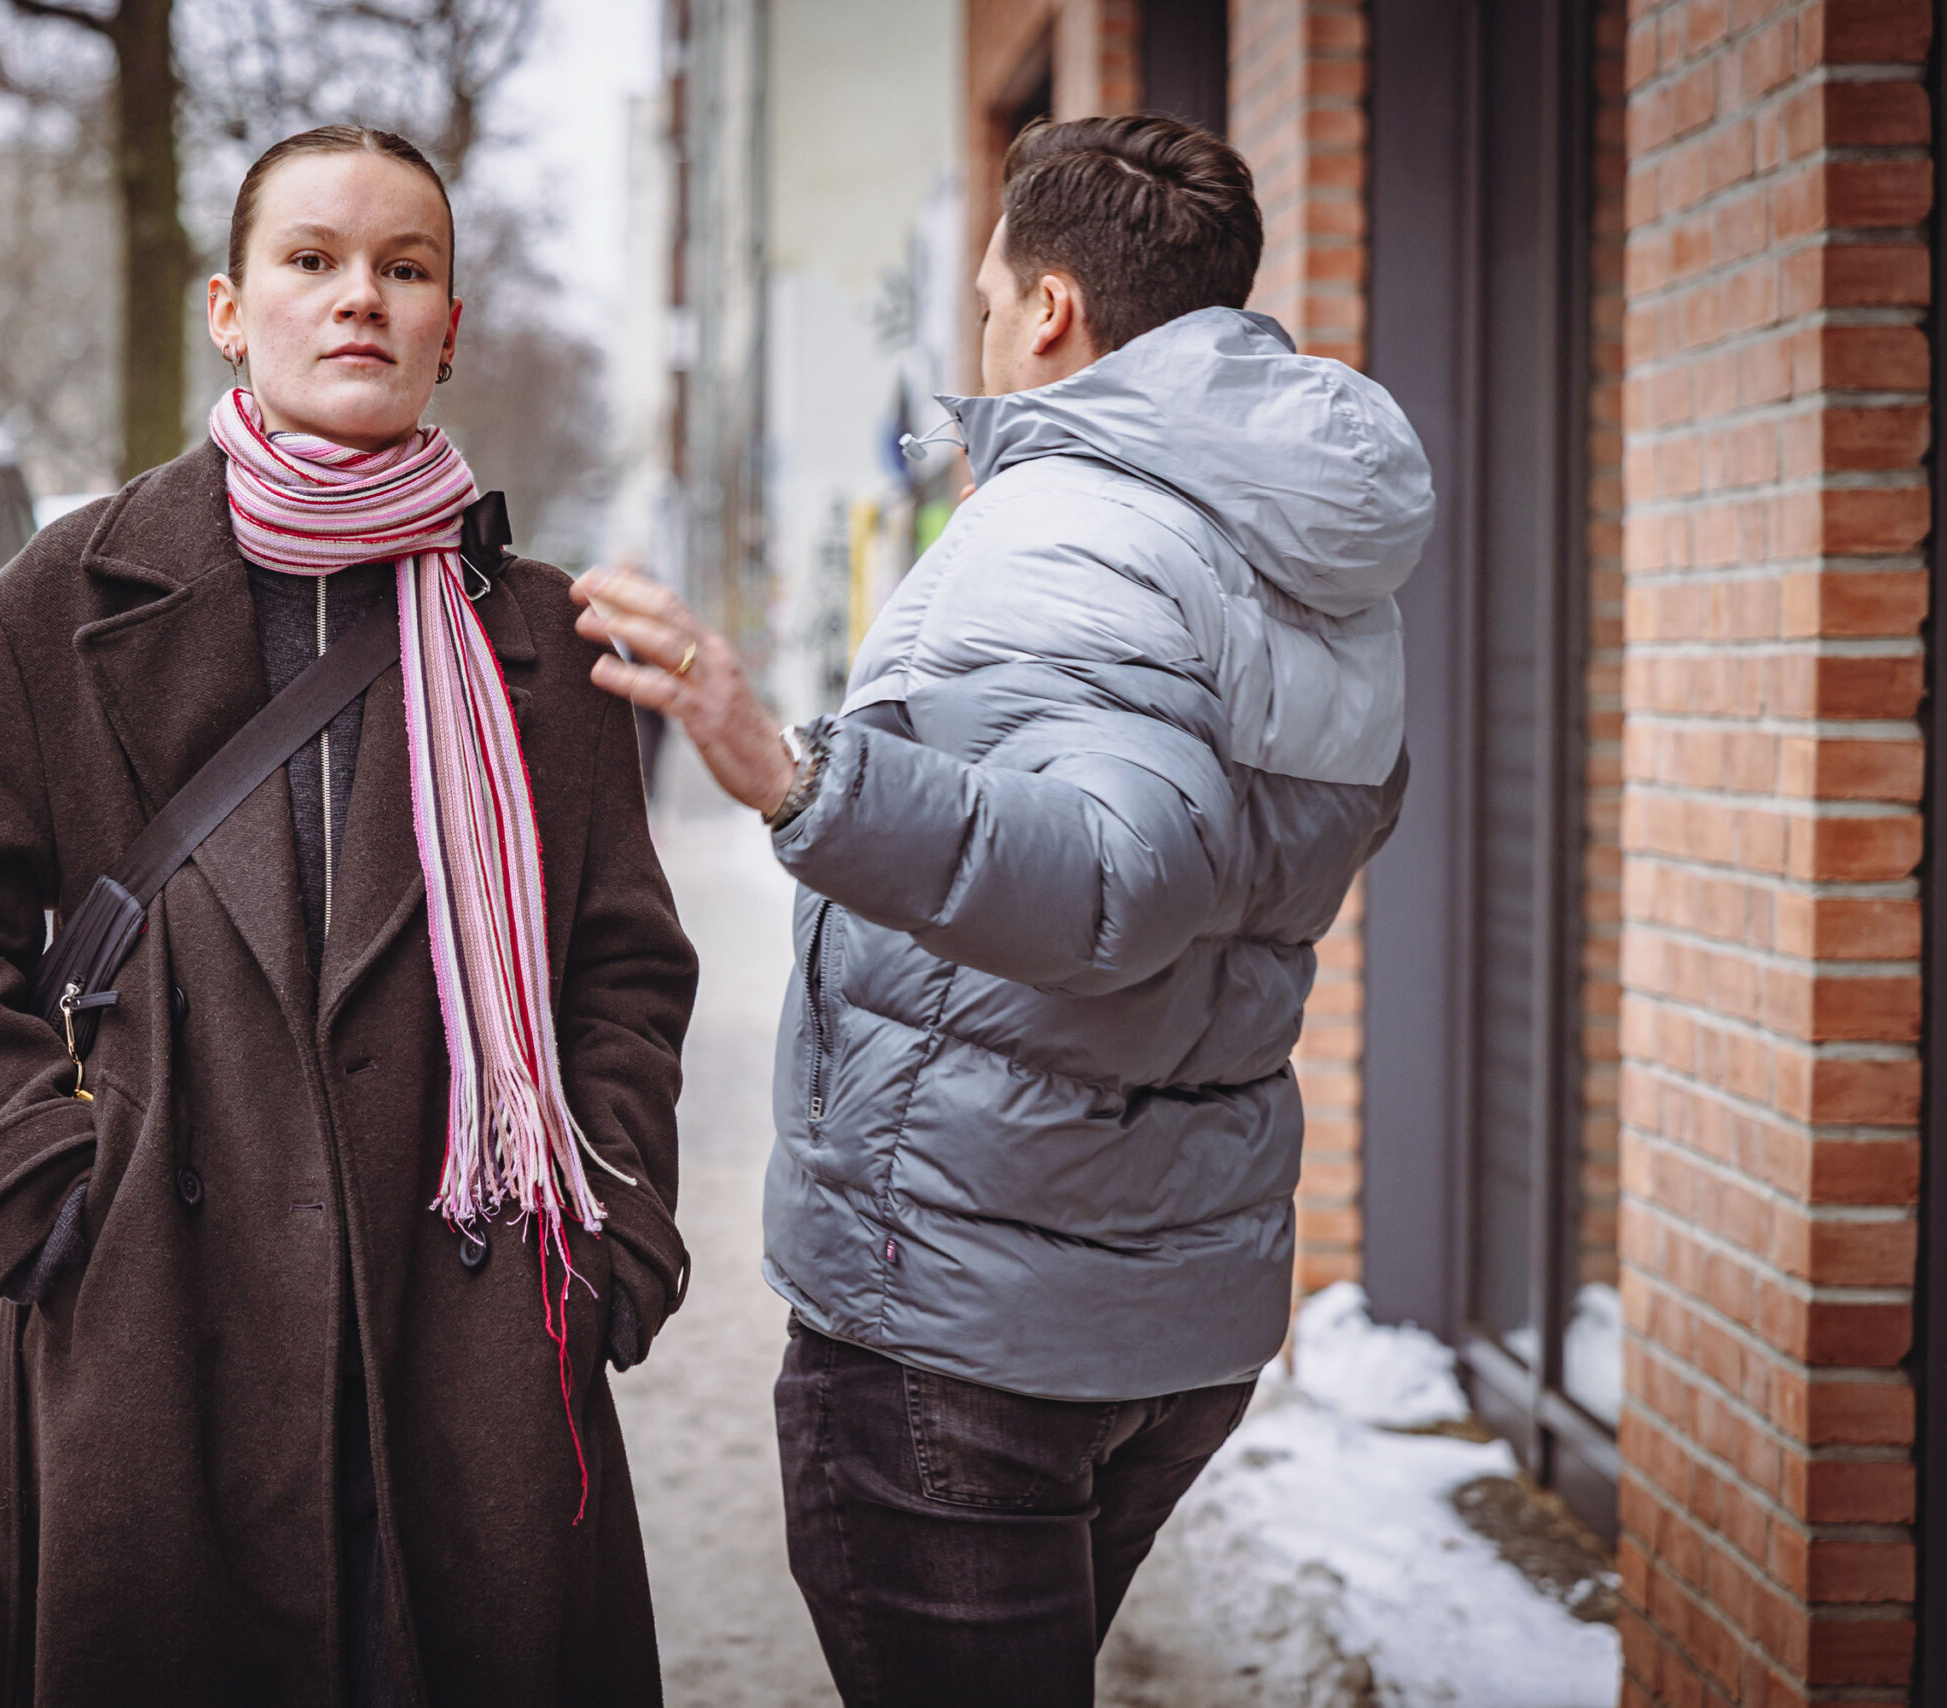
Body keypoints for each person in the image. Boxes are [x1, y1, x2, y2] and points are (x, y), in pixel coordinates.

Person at [575, 113, 1434, 1705]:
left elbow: (1123, 878)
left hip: (970, 1315)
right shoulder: (1309, 559)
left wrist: (788, 771)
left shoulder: (1072, 522)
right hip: (1163, 1300)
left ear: (1049, 310)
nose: (981, 333)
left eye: (986, 300)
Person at [0, 125, 697, 1708]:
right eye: (313, 261)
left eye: (405, 267)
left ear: (453, 325)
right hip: (153, 1343)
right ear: (233, 309)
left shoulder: (541, 639)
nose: (358, 297)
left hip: (478, 1352)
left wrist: (611, 1241)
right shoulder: (69, 594)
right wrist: (38, 1196)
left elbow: (624, 970)